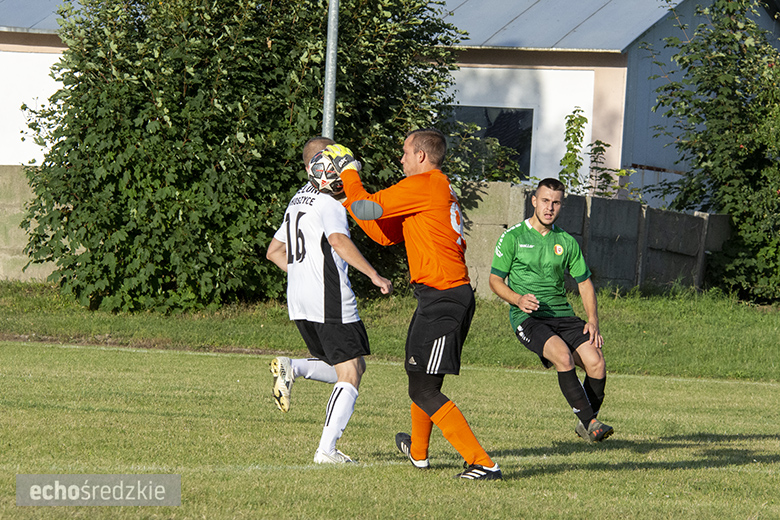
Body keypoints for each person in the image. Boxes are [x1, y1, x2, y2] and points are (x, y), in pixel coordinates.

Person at [323, 129, 502, 480]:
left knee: (422, 387)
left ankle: (483, 463)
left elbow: (366, 204)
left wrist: (349, 169)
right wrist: (347, 197)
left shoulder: (427, 184)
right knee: (420, 378)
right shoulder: (428, 189)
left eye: (405, 152)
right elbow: (384, 233)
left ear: (421, 155)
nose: (401, 158)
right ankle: (418, 453)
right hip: (436, 297)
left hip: (445, 298)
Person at [266, 136, 393, 464]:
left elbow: (274, 252)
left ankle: (292, 367)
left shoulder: (298, 198)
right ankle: (327, 450)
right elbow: (337, 240)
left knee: (352, 365)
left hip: (299, 300)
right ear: (322, 165)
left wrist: (302, 275)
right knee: (350, 371)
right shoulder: (330, 201)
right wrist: (373, 275)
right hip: (329, 298)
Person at [488, 177, 613, 443]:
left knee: (596, 362)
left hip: (563, 315)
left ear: (561, 206)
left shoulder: (565, 241)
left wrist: (592, 320)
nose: (549, 207)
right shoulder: (513, 237)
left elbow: (584, 283)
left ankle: (585, 422)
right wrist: (518, 299)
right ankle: (591, 422)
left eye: (556, 203)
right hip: (529, 318)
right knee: (563, 356)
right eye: (545, 201)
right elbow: (495, 281)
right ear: (534, 201)